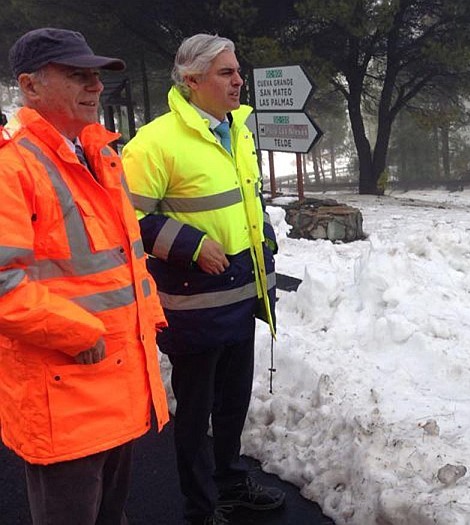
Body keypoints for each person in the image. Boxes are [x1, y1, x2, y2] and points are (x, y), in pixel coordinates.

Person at [0, 28, 170, 524]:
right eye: (77, 74)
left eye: (96, 75)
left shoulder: (99, 154)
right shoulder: (13, 168)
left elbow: (124, 256)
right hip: (64, 394)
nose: (95, 86)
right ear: (30, 86)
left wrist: (149, 318)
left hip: (116, 380)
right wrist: (81, 332)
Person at [122, 34, 281, 525]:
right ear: (192, 82)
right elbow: (125, 218)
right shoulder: (155, 142)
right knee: (196, 412)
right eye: (225, 73)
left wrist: (266, 236)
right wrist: (189, 244)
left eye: (237, 71)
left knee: (234, 402)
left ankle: (231, 483)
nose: (238, 80)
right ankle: (201, 506)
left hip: (243, 294)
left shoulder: (240, 130)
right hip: (194, 305)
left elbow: (243, 200)